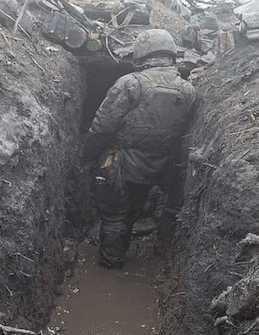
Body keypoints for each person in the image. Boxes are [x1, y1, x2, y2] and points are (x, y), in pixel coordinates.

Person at [82, 29, 197, 269]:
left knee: (114, 215)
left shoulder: (130, 84)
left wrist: (87, 157)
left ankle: (111, 267)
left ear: (141, 55)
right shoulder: (188, 91)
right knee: (132, 210)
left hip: (118, 161)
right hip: (157, 165)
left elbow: (102, 127)